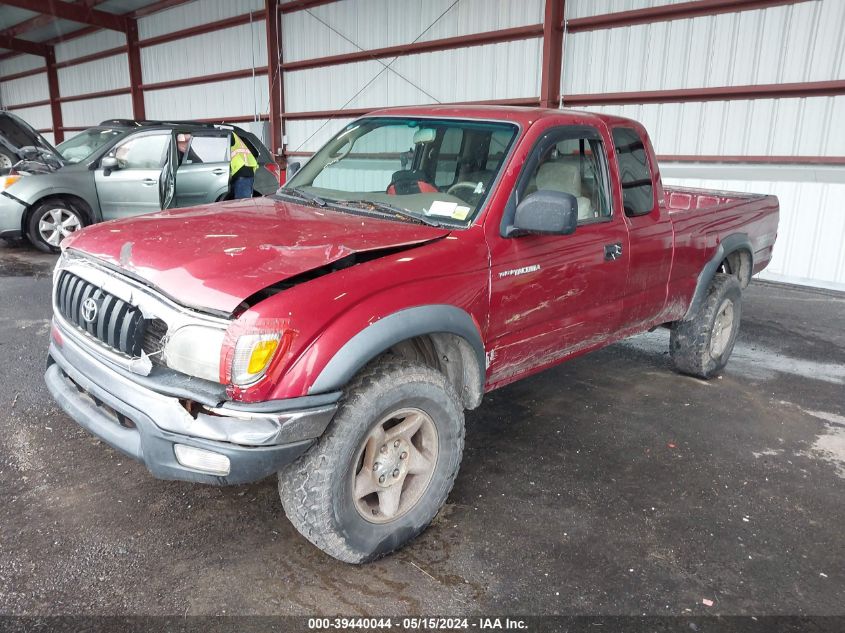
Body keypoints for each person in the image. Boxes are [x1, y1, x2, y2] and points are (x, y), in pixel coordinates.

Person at [230, 132, 258, 199]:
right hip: (246, 174)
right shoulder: (242, 139)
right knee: (243, 203)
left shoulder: (231, 136)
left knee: (242, 204)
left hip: (242, 175)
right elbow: (255, 153)